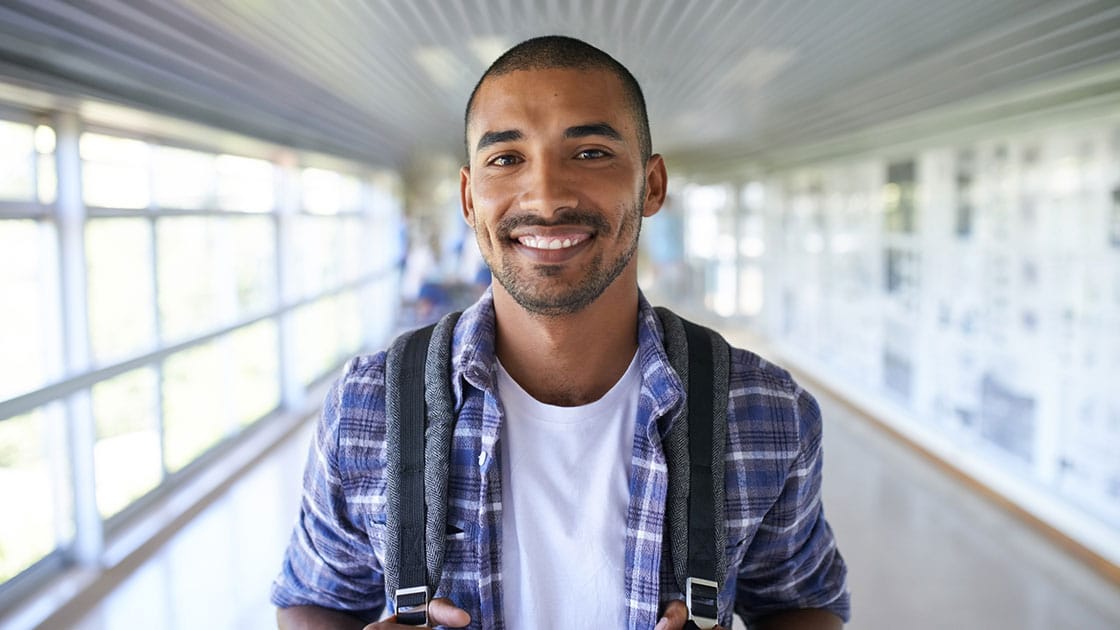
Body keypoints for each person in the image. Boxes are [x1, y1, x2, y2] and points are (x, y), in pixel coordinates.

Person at [272, 35, 849, 630]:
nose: (546, 197)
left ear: (651, 186)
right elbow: (316, 599)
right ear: (470, 197)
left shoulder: (764, 412)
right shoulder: (369, 406)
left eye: (592, 152)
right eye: (506, 158)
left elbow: (802, 602)